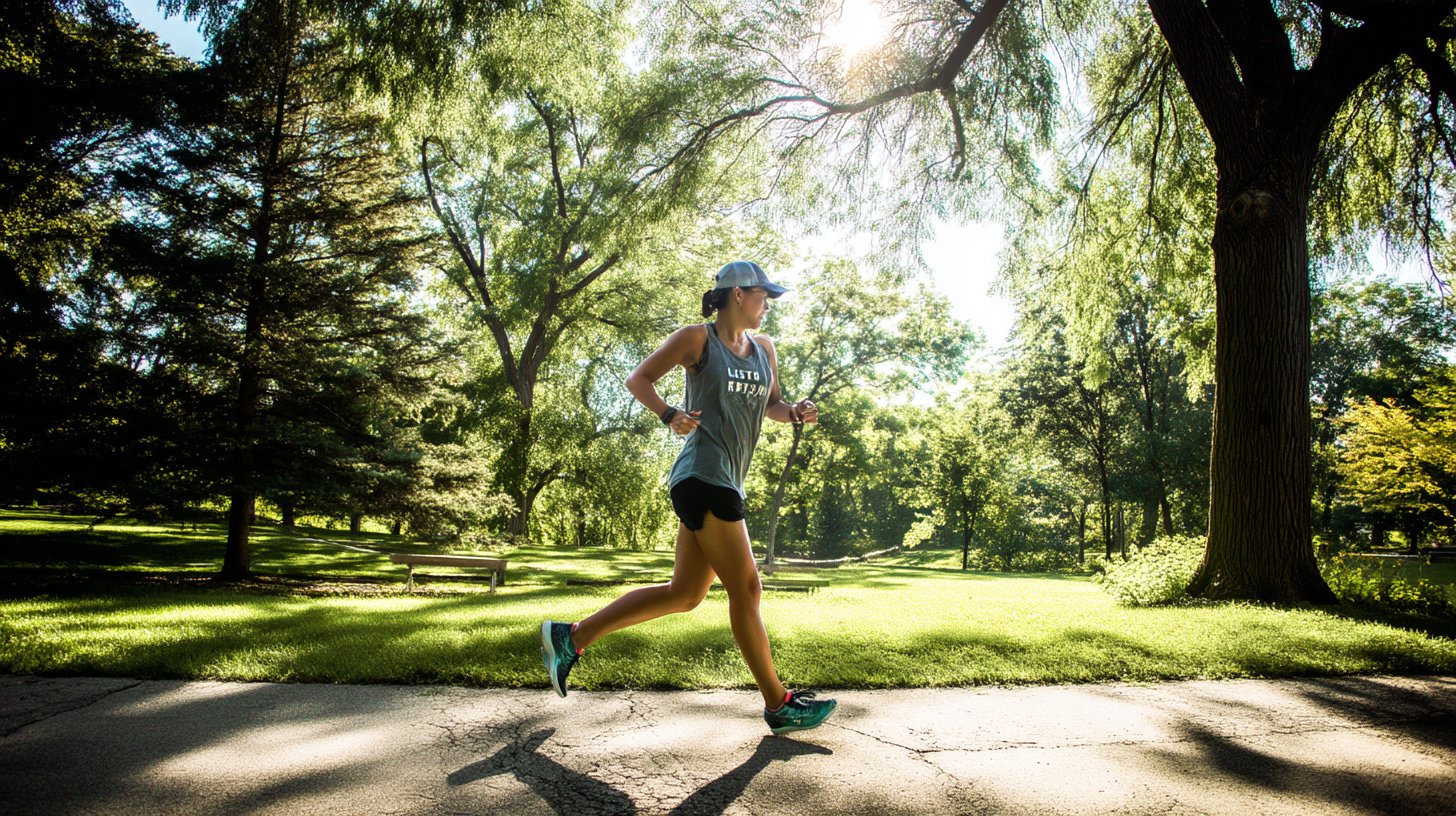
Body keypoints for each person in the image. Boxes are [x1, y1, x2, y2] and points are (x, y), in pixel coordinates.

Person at [540, 260, 837, 735]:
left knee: (685, 594)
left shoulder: (764, 349)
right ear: (737, 294)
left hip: (726, 479)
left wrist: (797, 412)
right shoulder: (697, 339)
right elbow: (639, 379)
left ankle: (571, 637)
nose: (768, 305)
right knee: (748, 590)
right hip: (703, 474)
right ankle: (779, 704)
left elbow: (774, 406)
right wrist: (669, 415)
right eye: (763, 296)